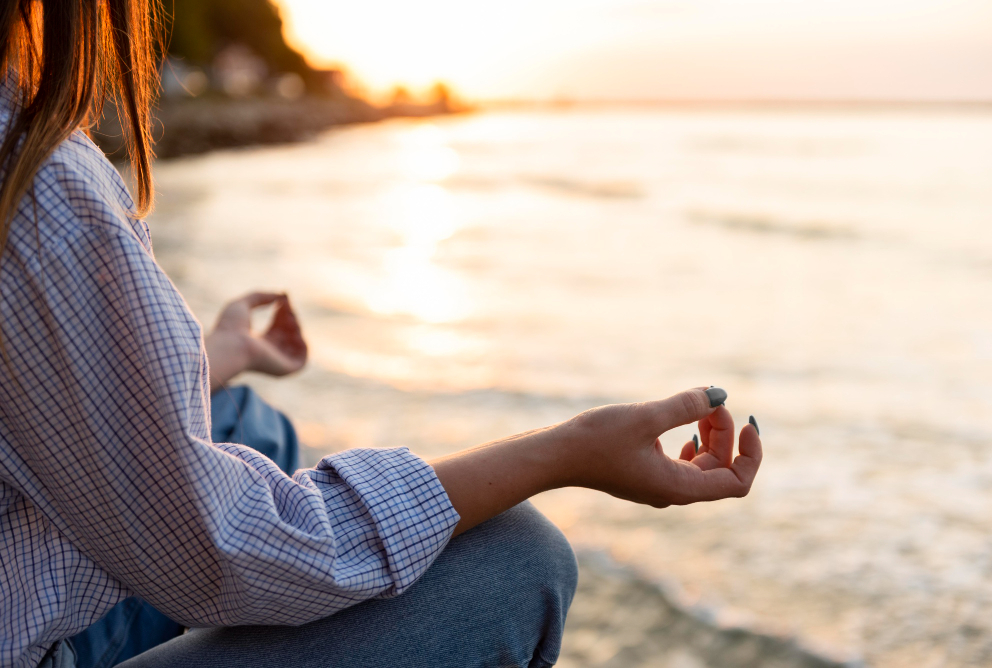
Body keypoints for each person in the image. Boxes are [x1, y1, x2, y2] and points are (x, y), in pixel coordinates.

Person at [0, 2, 764, 667]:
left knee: (244, 425)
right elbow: (225, 547)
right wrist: (565, 450)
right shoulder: (34, 176)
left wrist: (227, 353)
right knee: (514, 560)